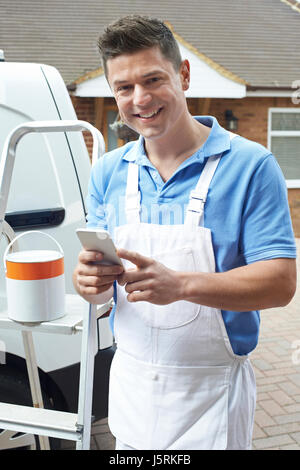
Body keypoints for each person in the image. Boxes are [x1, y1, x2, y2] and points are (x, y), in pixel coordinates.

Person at [73, 15, 297, 450]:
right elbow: (100, 293)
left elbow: (281, 284)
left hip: (212, 399)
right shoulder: (107, 172)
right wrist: (88, 285)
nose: (139, 99)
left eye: (153, 79)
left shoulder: (251, 167)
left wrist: (181, 285)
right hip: (133, 390)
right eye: (123, 87)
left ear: (184, 74)